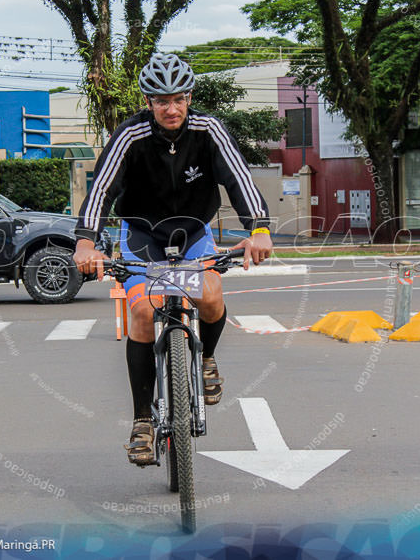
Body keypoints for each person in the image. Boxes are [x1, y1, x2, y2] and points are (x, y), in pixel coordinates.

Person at [73, 53, 273, 466]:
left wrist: (259, 228)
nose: (171, 108)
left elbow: (239, 179)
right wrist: (86, 242)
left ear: (189, 97)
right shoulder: (129, 136)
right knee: (144, 312)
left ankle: (206, 358)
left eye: (179, 98)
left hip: (194, 235)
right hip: (141, 237)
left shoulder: (208, 129)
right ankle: (142, 422)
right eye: (161, 100)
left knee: (212, 295)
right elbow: (102, 189)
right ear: (148, 102)